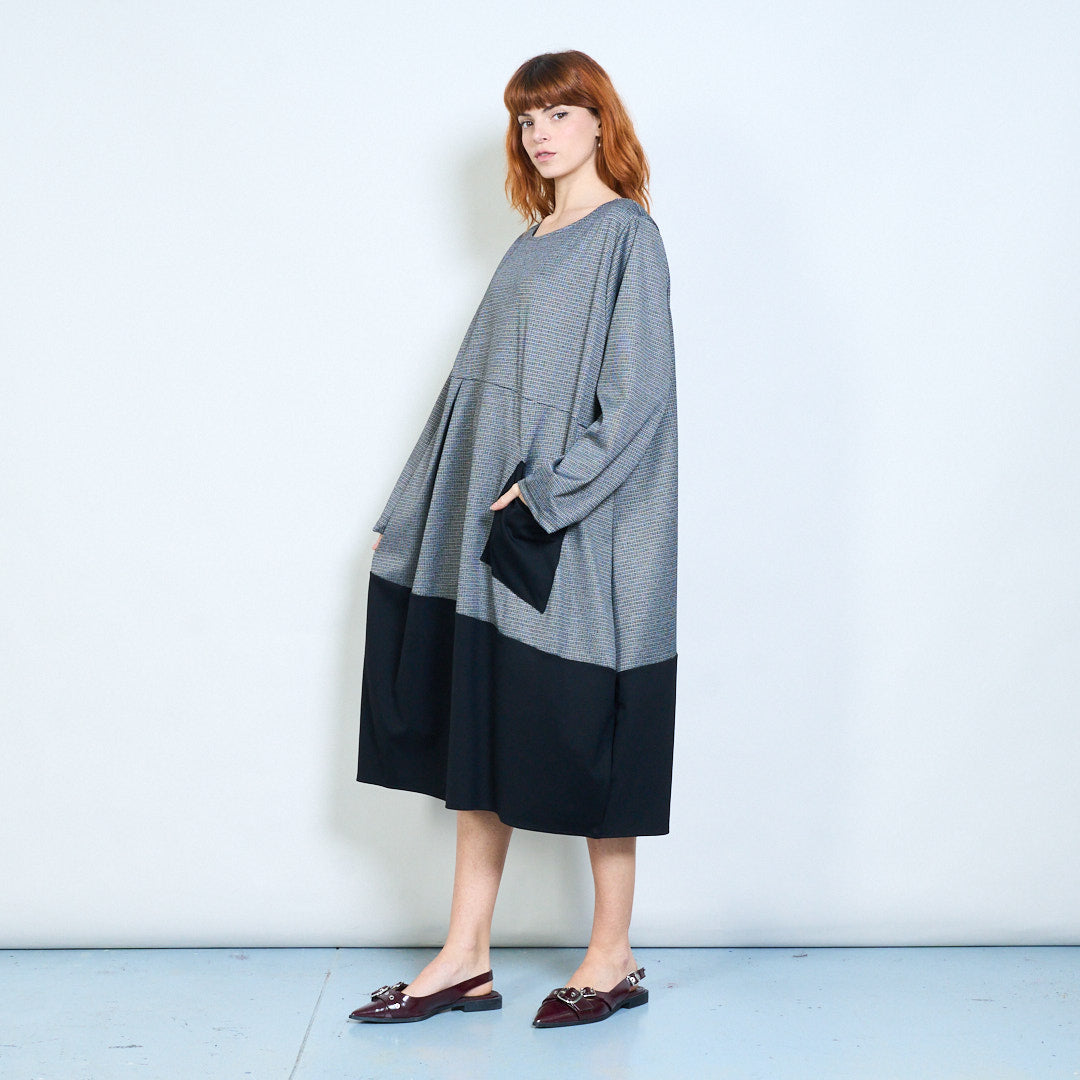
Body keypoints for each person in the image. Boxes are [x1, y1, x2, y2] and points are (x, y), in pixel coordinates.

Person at [350, 49, 678, 1029]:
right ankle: (465, 957)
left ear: (600, 120)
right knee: (480, 726)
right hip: (494, 523)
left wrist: (546, 495)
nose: (539, 132)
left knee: (594, 729)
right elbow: (469, 396)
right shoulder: (531, 239)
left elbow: (637, 399)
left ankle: (613, 958)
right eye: (527, 118)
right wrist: (414, 510)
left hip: (573, 528)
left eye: (560, 113)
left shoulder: (627, 237)